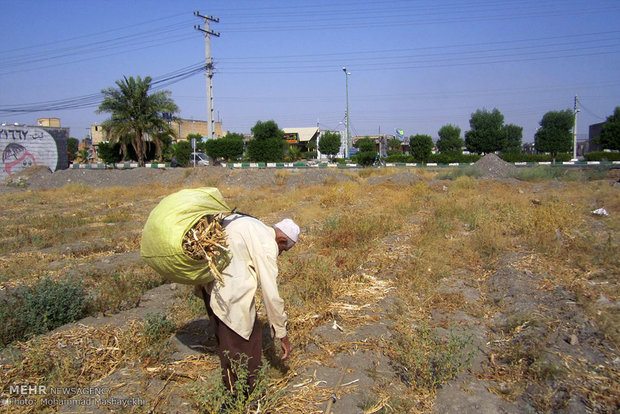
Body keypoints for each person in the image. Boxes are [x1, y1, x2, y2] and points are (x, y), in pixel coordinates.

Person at [197, 214, 300, 395]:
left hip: (210, 289)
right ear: (282, 240)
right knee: (248, 344)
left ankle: (232, 388)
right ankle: (243, 396)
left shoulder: (250, 222)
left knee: (227, 345)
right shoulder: (267, 244)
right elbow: (271, 294)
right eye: (283, 250)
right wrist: (282, 333)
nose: (280, 253)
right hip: (230, 296)